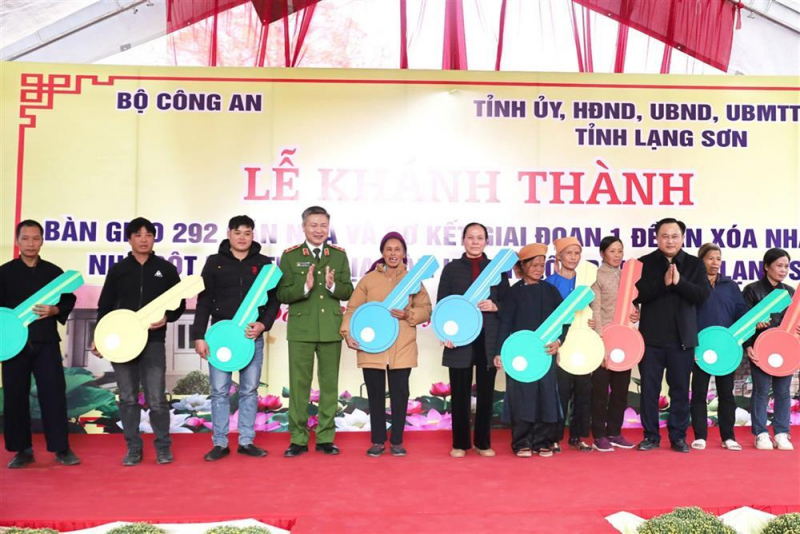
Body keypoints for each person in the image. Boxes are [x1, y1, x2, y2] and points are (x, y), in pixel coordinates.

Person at [93, 217, 185, 466]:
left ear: (154, 238)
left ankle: (163, 447)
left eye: (148, 235)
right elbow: (105, 306)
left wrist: (167, 317)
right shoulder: (118, 270)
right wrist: (99, 338)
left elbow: (179, 304)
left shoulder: (166, 269)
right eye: (138, 235)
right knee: (128, 398)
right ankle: (133, 448)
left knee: (156, 399)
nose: (143, 240)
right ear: (129, 239)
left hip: (153, 341)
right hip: (121, 342)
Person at [192, 215, 281, 461]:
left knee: (249, 390)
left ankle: (246, 441)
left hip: (250, 336)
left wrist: (263, 325)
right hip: (220, 338)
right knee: (219, 391)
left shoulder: (264, 264)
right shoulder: (214, 262)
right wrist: (199, 336)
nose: (242, 237)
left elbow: (274, 300)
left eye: (247, 233)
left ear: (253, 235)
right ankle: (220, 443)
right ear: (229, 234)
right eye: (238, 232)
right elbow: (204, 300)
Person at [341, 232, 432, 457]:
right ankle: (378, 441)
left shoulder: (413, 280)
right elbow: (352, 309)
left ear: (404, 253)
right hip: (372, 347)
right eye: (388, 249)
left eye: (397, 249)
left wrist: (408, 314)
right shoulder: (368, 280)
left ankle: (397, 441)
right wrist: (346, 332)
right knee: (375, 395)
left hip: (403, 346)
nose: (393, 253)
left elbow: (426, 309)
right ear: (382, 252)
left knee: (400, 396)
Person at [1, 220, 80, 468]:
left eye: (36, 238)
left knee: (54, 394)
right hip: (14, 346)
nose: (30, 243)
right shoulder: (4, 273)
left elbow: (68, 300)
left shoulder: (54, 273)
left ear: (42, 241)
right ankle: (22, 450)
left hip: (46, 341)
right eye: (25, 238)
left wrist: (56, 310)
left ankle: (61, 448)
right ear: (17, 241)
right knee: (15, 396)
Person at [277, 206, 353, 457]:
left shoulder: (339, 255)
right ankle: (298, 439)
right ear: (304, 227)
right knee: (299, 386)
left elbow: (348, 291)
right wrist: (305, 287)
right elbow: (282, 294)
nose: (319, 230)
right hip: (301, 330)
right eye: (313, 225)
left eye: (323, 225)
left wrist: (332, 287)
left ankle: (325, 437)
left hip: (330, 328)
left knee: (329, 386)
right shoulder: (290, 256)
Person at [634, 218, 710, 453]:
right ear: (657, 238)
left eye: (674, 236)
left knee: (679, 391)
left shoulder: (695, 265)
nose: (670, 241)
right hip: (651, 339)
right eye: (665, 236)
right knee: (649, 391)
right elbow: (639, 295)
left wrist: (679, 282)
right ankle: (651, 436)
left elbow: (701, 295)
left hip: (682, 340)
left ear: (683, 238)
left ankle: (678, 437)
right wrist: (664, 283)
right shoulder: (644, 263)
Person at [437, 222, 508, 458]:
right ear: (463, 240)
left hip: (488, 337)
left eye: (480, 237)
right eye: (470, 237)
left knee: (486, 392)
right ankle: (460, 443)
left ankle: (483, 443)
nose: (475, 241)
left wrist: (495, 306)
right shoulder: (452, 269)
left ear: (486, 241)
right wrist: (445, 334)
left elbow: (508, 303)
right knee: (459, 392)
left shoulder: (497, 269)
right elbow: (442, 305)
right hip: (459, 338)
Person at [495, 244, 564, 457]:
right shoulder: (513, 293)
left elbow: (565, 321)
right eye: (533, 265)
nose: (538, 269)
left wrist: (559, 341)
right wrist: (499, 352)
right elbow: (505, 324)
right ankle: (521, 442)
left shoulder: (551, 291)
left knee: (546, 395)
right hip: (519, 355)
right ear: (522, 266)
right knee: (522, 396)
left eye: (542, 265)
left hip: (545, 353)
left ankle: (542, 441)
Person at [690, 243, 747, 451]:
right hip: (700, 348)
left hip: (725, 349)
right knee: (699, 393)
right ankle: (700, 436)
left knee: (726, 394)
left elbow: (741, 312)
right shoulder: (693, 285)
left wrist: (753, 324)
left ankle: (728, 437)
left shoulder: (730, 286)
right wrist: (691, 345)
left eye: (719, 259)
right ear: (701, 261)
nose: (715, 263)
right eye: (710, 258)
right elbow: (686, 316)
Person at [743, 248, 797, 451]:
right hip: (760, 347)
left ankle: (782, 433)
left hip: (785, 350)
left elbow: (795, 321)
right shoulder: (752, 290)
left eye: (786, 266)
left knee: (783, 391)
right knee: (761, 391)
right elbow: (743, 321)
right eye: (779, 265)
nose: (783, 270)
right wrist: (748, 344)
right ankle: (761, 433)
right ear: (766, 266)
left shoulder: (790, 292)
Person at [589, 236, 638, 452]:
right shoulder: (596, 276)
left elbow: (634, 304)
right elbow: (596, 310)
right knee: (600, 391)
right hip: (604, 339)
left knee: (620, 390)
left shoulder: (629, 276)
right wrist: (600, 344)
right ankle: (599, 435)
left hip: (625, 342)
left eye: (620, 251)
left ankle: (615, 432)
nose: (617, 255)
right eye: (612, 251)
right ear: (602, 253)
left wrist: (637, 314)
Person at [546, 236, 592, 452]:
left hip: (584, 343)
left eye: (577, 253)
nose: (573, 257)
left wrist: (593, 321)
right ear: (559, 256)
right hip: (560, 344)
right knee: (561, 391)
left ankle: (578, 436)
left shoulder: (586, 281)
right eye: (569, 253)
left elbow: (594, 308)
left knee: (583, 391)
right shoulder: (550, 283)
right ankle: (554, 438)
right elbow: (547, 317)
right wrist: (554, 342)